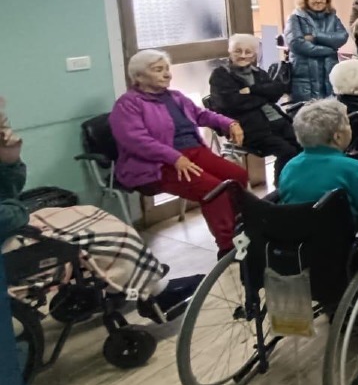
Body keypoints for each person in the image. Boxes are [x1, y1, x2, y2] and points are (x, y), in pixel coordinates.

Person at [0, 108, 200, 323]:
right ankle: (156, 290)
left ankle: (129, 277)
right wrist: (19, 208)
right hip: (9, 235)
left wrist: (10, 161)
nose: (6, 129)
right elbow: (11, 214)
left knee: (93, 215)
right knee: (111, 236)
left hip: (13, 221)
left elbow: (7, 193)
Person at [110, 50, 248, 254]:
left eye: (167, 69)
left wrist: (230, 123)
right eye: (158, 70)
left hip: (192, 153)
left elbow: (202, 115)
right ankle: (228, 247)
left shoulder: (175, 97)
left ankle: (242, 230)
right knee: (214, 189)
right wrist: (174, 157)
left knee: (237, 176)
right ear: (138, 76)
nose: (167, 74)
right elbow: (136, 141)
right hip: (157, 164)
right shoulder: (128, 104)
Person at [278, 99, 358, 228]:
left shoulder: (288, 168)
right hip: (347, 242)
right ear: (337, 137)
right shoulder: (355, 169)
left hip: (301, 241)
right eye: (347, 123)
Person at [207, 34, 299, 184]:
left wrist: (251, 90)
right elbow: (230, 103)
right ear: (230, 51)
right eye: (238, 51)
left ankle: (296, 185)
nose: (243, 56)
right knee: (287, 151)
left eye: (248, 52)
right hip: (248, 128)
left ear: (254, 54)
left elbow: (276, 91)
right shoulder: (220, 75)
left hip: (276, 121)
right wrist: (263, 95)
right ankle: (281, 190)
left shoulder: (258, 73)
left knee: (303, 146)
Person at [284, 0, 348, 102]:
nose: (319, 0)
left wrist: (315, 36)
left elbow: (342, 37)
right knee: (305, 116)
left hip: (329, 76)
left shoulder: (332, 18)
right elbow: (297, 44)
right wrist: (329, 49)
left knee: (329, 113)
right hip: (304, 80)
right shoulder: (295, 18)